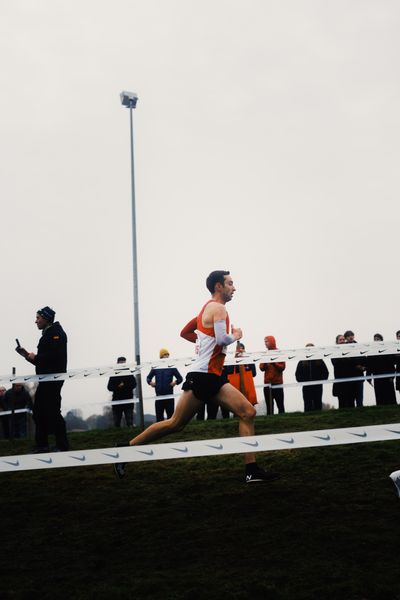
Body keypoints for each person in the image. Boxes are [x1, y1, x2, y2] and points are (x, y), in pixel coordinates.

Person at [114, 270, 280, 484]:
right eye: (230, 283)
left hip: (210, 376)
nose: (234, 288)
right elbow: (221, 340)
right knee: (175, 424)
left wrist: (202, 344)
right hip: (204, 377)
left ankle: (252, 470)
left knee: (247, 412)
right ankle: (125, 450)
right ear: (218, 286)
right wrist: (236, 336)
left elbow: (185, 332)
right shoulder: (219, 309)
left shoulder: (205, 309)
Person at [16, 306, 69, 452]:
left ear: (46, 318)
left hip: (53, 380)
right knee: (39, 411)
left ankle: (61, 445)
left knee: (52, 412)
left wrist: (37, 357)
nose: (36, 321)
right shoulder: (48, 333)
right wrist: (27, 356)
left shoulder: (56, 333)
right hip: (46, 379)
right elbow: (44, 361)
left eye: (38, 318)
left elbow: (55, 357)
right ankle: (42, 444)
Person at [146, 349, 183, 422]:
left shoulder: (172, 367)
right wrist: (150, 383)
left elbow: (180, 378)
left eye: (168, 355)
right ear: (161, 357)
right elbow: (148, 378)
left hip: (169, 396)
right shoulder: (155, 367)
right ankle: (160, 432)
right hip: (158, 396)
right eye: (165, 355)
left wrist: (175, 382)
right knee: (159, 418)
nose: (167, 357)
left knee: (171, 417)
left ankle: (172, 432)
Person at [223, 342, 257, 417]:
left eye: (242, 349)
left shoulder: (249, 360)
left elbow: (254, 373)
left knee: (249, 410)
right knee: (237, 410)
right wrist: (235, 360)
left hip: (247, 390)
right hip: (237, 390)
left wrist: (246, 360)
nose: (240, 352)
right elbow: (228, 372)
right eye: (238, 350)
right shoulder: (233, 362)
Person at [295, 343, 329, 412]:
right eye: (308, 349)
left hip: (318, 387)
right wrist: (304, 381)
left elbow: (326, 373)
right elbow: (297, 374)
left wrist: (320, 381)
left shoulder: (319, 361)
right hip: (306, 388)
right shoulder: (301, 362)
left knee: (318, 404)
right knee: (307, 405)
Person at [365, 334, 397, 406]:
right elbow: (369, 365)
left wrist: (392, 376)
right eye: (375, 339)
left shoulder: (387, 350)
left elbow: (391, 364)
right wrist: (368, 377)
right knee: (379, 395)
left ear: (381, 340)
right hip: (377, 377)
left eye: (378, 339)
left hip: (388, 377)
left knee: (390, 395)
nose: (376, 340)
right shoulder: (371, 352)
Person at [107, 356, 137, 427]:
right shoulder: (114, 374)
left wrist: (124, 385)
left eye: (124, 363)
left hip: (128, 401)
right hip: (117, 401)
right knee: (116, 423)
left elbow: (134, 384)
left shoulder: (129, 373)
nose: (123, 364)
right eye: (121, 363)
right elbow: (109, 387)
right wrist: (118, 387)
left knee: (130, 423)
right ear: (117, 363)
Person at [259, 336, 286, 414]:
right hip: (267, 384)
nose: (265, 343)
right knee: (269, 406)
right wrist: (265, 364)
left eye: (266, 341)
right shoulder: (265, 354)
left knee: (280, 405)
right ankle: (270, 419)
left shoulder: (279, 353)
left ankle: (282, 420)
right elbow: (261, 367)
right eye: (264, 342)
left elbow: (282, 367)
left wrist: (274, 363)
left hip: (278, 384)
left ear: (272, 342)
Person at [331, 334, 354, 409]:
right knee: (342, 402)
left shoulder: (350, 350)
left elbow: (352, 363)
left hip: (350, 380)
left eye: (343, 339)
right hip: (340, 381)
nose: (342, 341)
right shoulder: (334, 352)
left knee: (351, 402)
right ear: (337, 342)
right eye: (340, 340)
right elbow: (335, 363)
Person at [344, 329, 365, 407]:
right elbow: (346, 362)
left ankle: (361, 410)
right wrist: (356, 366)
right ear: (346, 338)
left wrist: (363, 367)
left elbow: (364, 357)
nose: (350, 337)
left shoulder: (359, 346)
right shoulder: (343, 348)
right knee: (350, 397)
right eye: (348, 336)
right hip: (349, 376)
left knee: (360, 397)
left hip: (359, 375)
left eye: (352, 335)